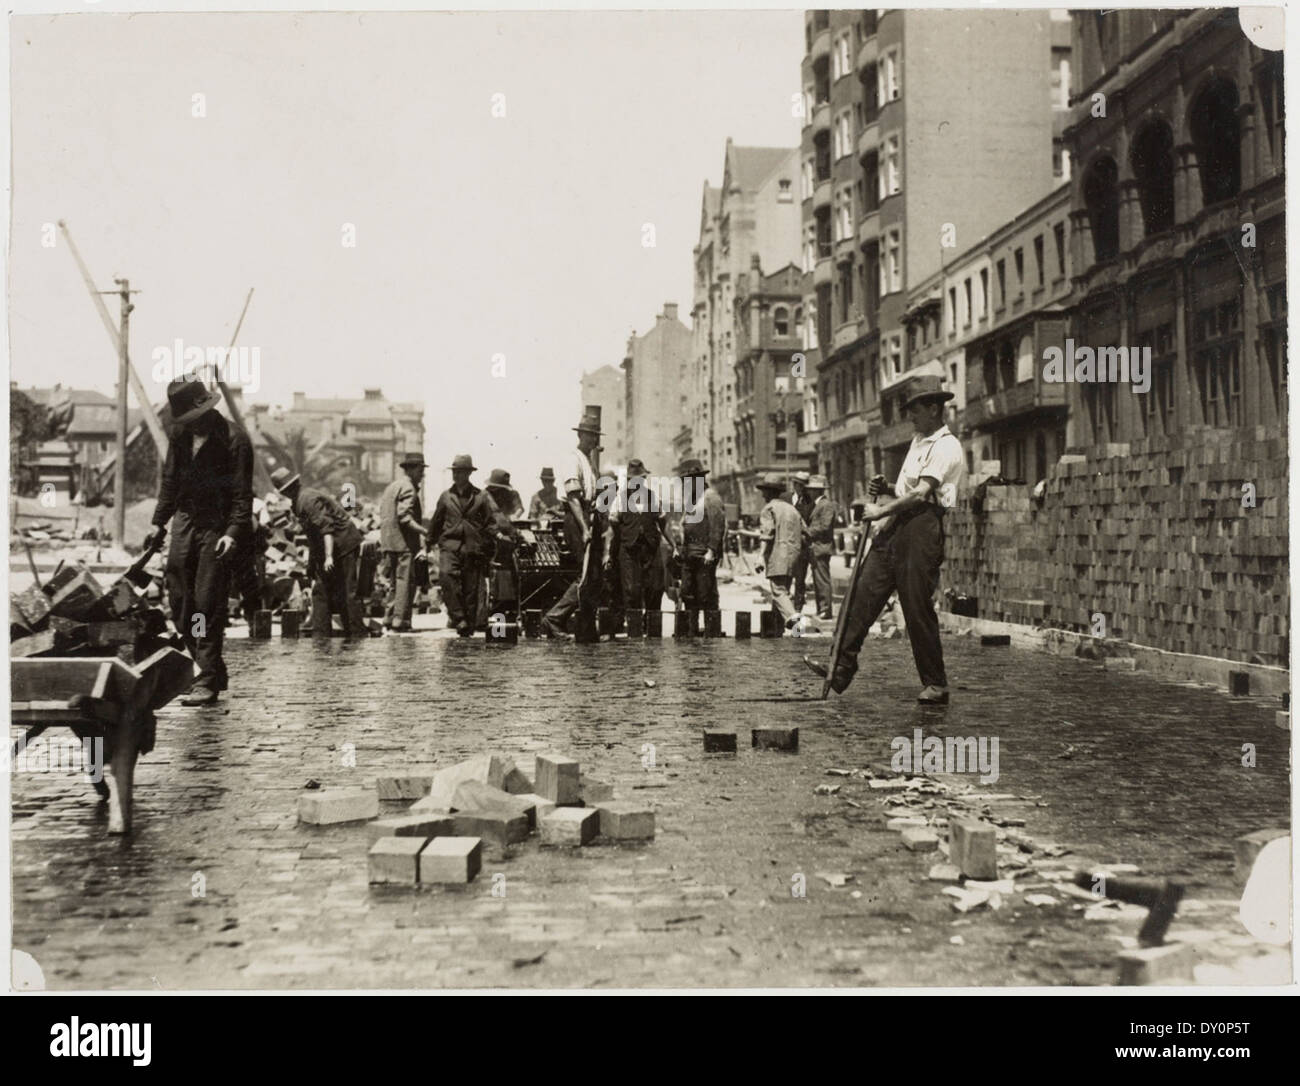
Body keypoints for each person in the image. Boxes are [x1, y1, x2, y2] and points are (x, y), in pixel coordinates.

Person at [812, 375, 964, 704]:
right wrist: (887, 490)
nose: (910, 416)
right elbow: (908, 490)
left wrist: (880, 512)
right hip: (898, 524)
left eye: (916, 410)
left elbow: (924, 494)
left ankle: (935, 684)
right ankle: (839, 668)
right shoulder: (918, 440)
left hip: (923, 528)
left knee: (916, 607)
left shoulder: (947, 446)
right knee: (861, 593)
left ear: (935, 408)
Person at [143, 377, 253, 706]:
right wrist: (158, 523)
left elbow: (241, 496)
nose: (194, 425)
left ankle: (204, 677)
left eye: (197, 418)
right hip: (185, 520)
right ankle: (211, 668)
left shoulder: (235, 439)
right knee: (179, 601)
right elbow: (170, 480)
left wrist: (232, 534)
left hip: (216, 526)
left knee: (206, 602)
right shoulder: (179, 435)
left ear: (207, 408)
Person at [271, 467, 366, 635]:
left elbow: (326, 528)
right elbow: (313, 536)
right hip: (331, 546)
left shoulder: (307, 500)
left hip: (343, 544)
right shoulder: (298, 502)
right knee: (321, 591)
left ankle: (356, 634)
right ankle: (321, 635)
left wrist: (328, 557)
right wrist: (312, 564)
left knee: (346, 591)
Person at [542, 406, 603, 638]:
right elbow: (574, 497)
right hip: (576, 518)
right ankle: (554, 618)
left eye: (596, 434)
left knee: (594, 575)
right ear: (580, 435)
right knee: (585, 573)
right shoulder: (572, 459)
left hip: (588, 515)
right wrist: (585, 528)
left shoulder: (589, 460)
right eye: (590, 434)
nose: (594, 438)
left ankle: (586, 627)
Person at [428, 454, 497, 637]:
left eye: (460, 472)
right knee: (446, 576)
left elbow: (490, 522)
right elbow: (436, 521)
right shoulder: (446, 497)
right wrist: (428, 543)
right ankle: (459, 618)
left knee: (471, 588)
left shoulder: (480, 496)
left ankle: (468, 627)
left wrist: (490, 541)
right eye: (455, 472)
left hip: (473, 547)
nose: (456, 475)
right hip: (450, 545)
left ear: (468, 474)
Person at [606, 458, 673, 616]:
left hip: (650, 547)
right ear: (628, 480)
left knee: (656, 587)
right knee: (631, 590)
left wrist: (673, 544)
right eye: (633, 480)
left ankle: (651, 628)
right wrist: (610, 552)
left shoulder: (653, 497)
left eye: (641, 479)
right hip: (629, 550)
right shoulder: (620, 499)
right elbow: (613, 527)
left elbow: (663, 523)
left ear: (644, 479)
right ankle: (634, 631)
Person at [379, 453, 427, 631]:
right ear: (413, 469)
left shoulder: (392, 486)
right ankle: (401, 621)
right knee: (405, 582)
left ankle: (389, 618)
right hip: (404, 543)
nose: (422, 474)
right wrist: (424, 531)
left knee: (394, 583)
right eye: (421, 470)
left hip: (389, 542)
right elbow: (404, 517)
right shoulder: (408, 488)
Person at [756, 472, 804, 631]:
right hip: (794, 555)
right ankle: (775, 629)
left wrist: (760, 557)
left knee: (778, 591)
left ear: (769, 492)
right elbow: (805, 532)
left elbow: (766, 534)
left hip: (778, 556)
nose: (762, 495)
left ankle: (798, 625)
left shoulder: (769, 509)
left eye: (764, 491)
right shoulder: (792, 510)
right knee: (784, 591)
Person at [678, 458, 726, 613]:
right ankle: (692, 630)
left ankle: (710, 631)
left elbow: (717, 526)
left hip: (704, 552)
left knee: (705, 593)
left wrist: (711, 550)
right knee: (687, 592)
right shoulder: (692, 499)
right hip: (690, 551)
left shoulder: (711, 497)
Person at [804, 475, 842, 620]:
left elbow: (825, 526)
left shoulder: (826, 505)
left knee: (822, 580)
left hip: (822, 547)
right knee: (817, 580)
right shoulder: (819, 504)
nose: (810, 492)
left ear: (818, 491)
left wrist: (807, 531)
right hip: (817, 547)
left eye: (812, 490)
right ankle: (822, 609)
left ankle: (825, 610)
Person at [790, 470, 815, 613]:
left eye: (802, 485)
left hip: (801, 547)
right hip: (786, 545)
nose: (799, 487)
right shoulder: (786, 498)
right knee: (784, 582)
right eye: (797, 484)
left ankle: (797, 616)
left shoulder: (810, 503)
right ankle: (781, 618)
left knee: (800, 582)